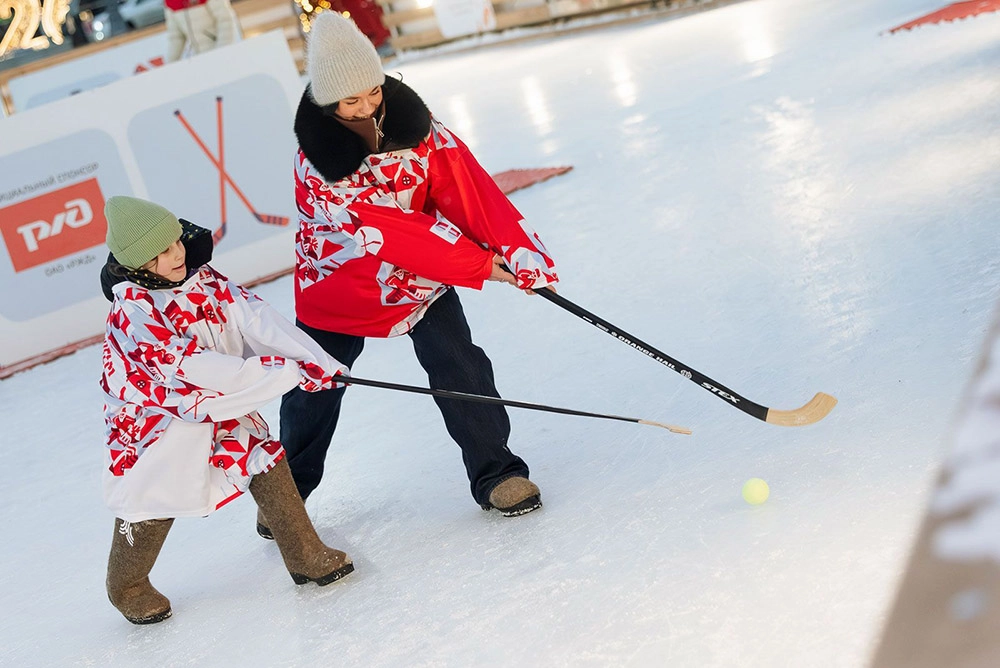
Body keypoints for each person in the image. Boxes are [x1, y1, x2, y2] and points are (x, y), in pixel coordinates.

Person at [268, 12, 559, 535]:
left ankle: (497, 474)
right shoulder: (318, 165)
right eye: (349, 101)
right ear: (327, 102)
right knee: (316, 383)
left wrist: (516, 248)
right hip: (341, 282)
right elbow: (391, 231)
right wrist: (480, 265)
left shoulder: (418, 127)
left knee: (461, 364)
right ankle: (287, 495)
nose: (365, 108)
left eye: (372, 93)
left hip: (421, 278)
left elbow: (466, 187)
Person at [98, 195, 354, 625]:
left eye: (176, 240)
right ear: (138, 264)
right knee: (154, 495)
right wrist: (279, 373)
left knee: (261, 456)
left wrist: (316, 362)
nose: (177, 253)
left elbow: (256, 318)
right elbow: (194, 369)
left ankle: (304, 553)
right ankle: (126, 585)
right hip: (160, 420)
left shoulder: (205, 280)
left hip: (221, 401)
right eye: (160, 252)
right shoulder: (133, 313)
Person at [163, 0, 241, 63]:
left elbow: (225, 20)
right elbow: (176, 37)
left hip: (223, 52)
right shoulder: (170, 2)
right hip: (200, 58)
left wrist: (222, 52)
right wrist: (169, 66)